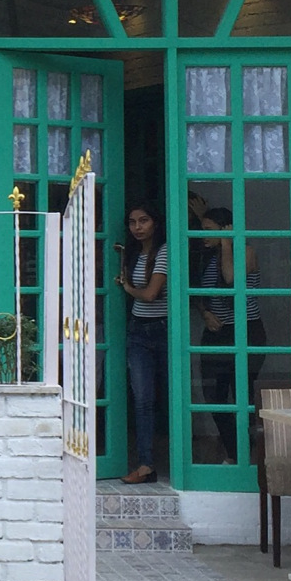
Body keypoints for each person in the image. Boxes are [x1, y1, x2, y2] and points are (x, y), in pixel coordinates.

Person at [196, 206, 265, 463]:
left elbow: (230, 280)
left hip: (245, 331)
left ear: (226, 230)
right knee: (215, 397)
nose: (203, 235)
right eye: (201, 229)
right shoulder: (208, 258)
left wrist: (227, 243)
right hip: (216, 333)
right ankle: (236, 452)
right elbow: (198, 292)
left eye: (208, 230)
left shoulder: (246, 252)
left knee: (241, 396)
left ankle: (246, 456)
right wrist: (205, 313)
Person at [118, 201, 167, 483]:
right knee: (142, 399)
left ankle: (179, 461)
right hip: (138, 331)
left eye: (144, 220)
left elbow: (150, 295)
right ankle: (146, 464)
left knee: (169, 396)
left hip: (163, 329)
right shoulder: (134, 254)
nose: (137, 227)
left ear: (155, 223)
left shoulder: (164, 252)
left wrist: (127, 287)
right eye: (132, 222)